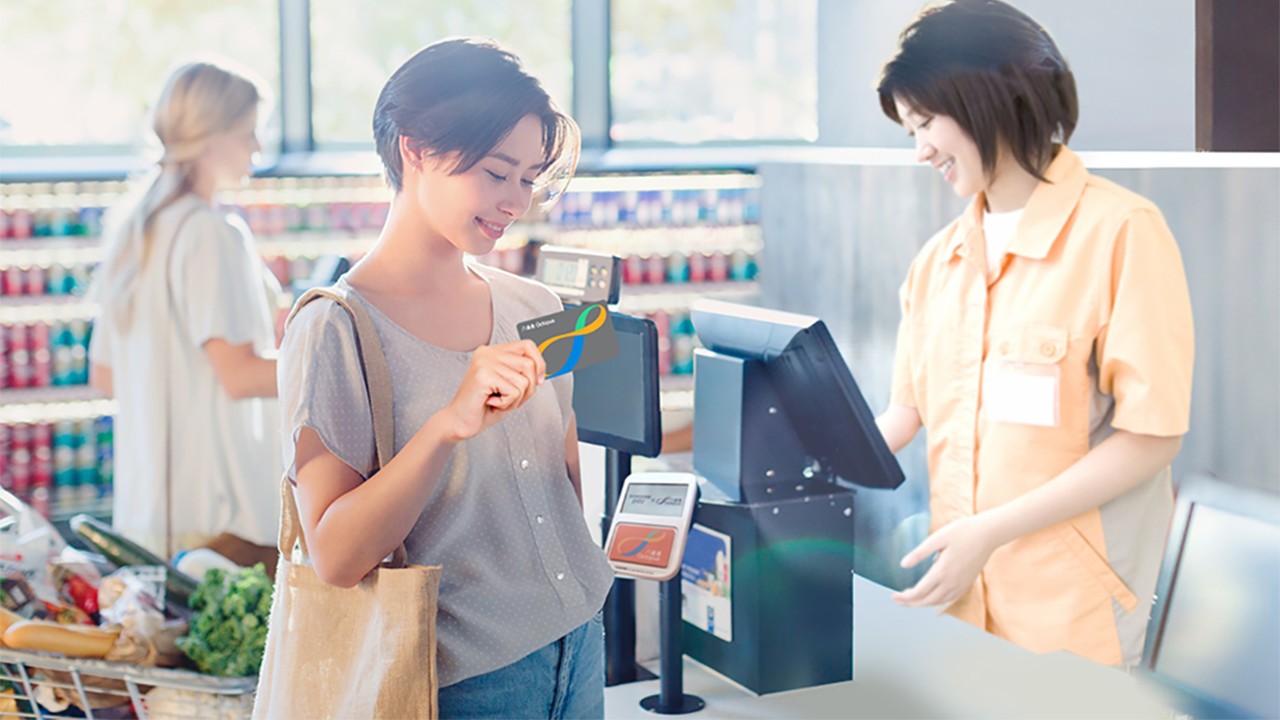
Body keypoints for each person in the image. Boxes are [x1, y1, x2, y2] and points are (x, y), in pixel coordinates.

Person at [278, 38, 611, 717]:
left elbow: (568, 475)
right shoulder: (333, 329)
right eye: (496, 172)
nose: (516, 200)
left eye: (530, 177)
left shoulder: (539, 308)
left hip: (581, 640)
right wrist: (445, 428)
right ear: (416, 149)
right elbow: (336, 557)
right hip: (462, 679)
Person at [874, 0, 1193, 668]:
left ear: (989, 96)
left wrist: (989, 532)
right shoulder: (939, 261)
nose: (922, 149)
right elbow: (907, 413)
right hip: (960, 601)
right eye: (910, 131)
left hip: (1075, 615)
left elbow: (1152, 437)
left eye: (927, 121)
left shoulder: (1122, 232)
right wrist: (796, 455)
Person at [89, 60, 283, 558]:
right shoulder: (211, 233)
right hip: (220, 519)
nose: (257, 148)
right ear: (211, 138)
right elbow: (239, 376)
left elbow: (106, 375)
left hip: (147, 514)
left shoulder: (136, 230)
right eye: (249, 132)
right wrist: (336, 365)